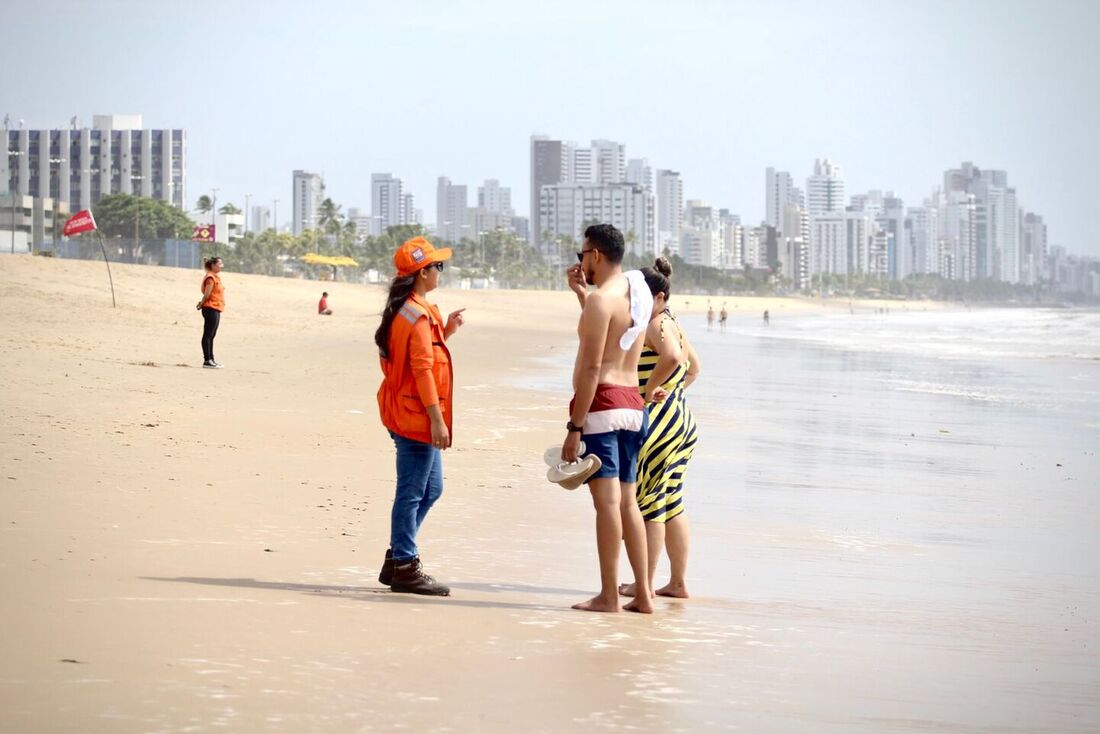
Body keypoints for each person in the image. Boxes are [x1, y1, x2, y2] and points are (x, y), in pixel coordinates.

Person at [564, 223, 654, 614]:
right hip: (633, 404)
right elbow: (616, 335)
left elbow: (591, 367)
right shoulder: (639, 289)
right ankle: (646, 595)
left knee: (606, 505)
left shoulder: (602, 300)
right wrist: (583, 295)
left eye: (582, 254)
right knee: (628, 504)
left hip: (600, 407)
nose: (580, 260)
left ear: (596, 254)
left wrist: (574, 427)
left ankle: (608, 596)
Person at [374, 236, 466, 596]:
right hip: (416, 416)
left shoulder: (412, 311)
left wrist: (447, 331)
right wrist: (437, 419)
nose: (440, 272)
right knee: (412, 492)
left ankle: (399, 555)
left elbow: (415, 356)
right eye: (436, 266)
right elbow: (423, 369)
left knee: (432, 489)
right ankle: (404, 566)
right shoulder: (415, 315)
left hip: (408, 410)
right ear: (421, 273)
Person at [620, 257, 700, 599]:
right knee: (672, 503)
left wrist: (649, 390)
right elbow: (694, 368)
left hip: (659, 423)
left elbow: (673, 359)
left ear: (659, 297)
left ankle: (644, 584)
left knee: (647, 505)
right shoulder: (673, 323)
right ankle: (677, 582)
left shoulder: (656, 324)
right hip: (682, 421)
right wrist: (672, 393)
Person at [196, 256, 225, 368]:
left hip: (216, 308)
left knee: (212, 335)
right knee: (208, 335)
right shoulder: (210, 278)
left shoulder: (215, 277)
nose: (221, 266)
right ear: (213, 265)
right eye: (219, 264)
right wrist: (201, 303)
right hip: (210, 308)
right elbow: (207, 294)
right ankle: (207, 360)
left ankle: (211, 359)